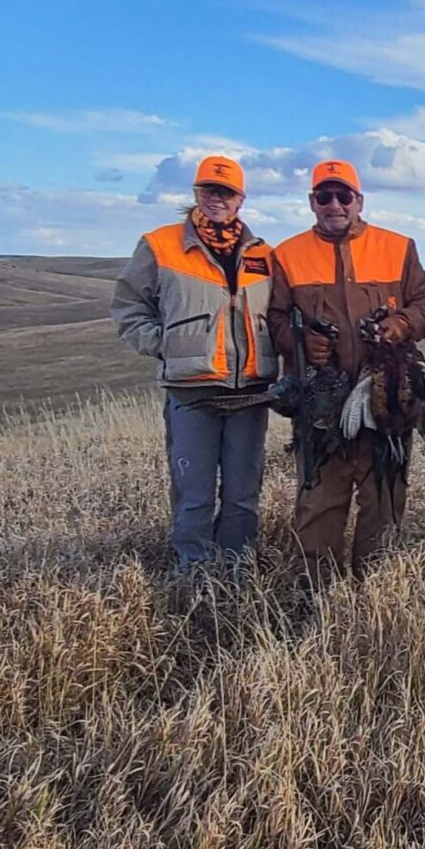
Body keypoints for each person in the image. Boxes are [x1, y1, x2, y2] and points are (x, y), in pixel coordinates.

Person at [267, 158, 425, 579]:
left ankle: (372, 593)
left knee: (385, 506)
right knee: (319, 506)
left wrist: (402, 324)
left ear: (360, 200)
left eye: (344, 195)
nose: (335, 204)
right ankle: (316, 598)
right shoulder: (287, 255)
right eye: (325, 196)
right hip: (323, 406)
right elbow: (273, 320)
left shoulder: (398, 247)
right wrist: (301, 341)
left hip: (387, 402)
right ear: (312, 202)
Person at [111, 154, 278, 573]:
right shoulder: (160, 245)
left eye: (227, 192)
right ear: (196, 194)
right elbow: (129, 306)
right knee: (195, 490)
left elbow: (280, 315)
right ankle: (195, 571)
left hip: (250, 392)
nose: (217, 199)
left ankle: (236, 568)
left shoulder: (265, 255)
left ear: (241, 200)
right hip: (192, 391)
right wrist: (164, 344)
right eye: (209, 190)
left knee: (243, 491)